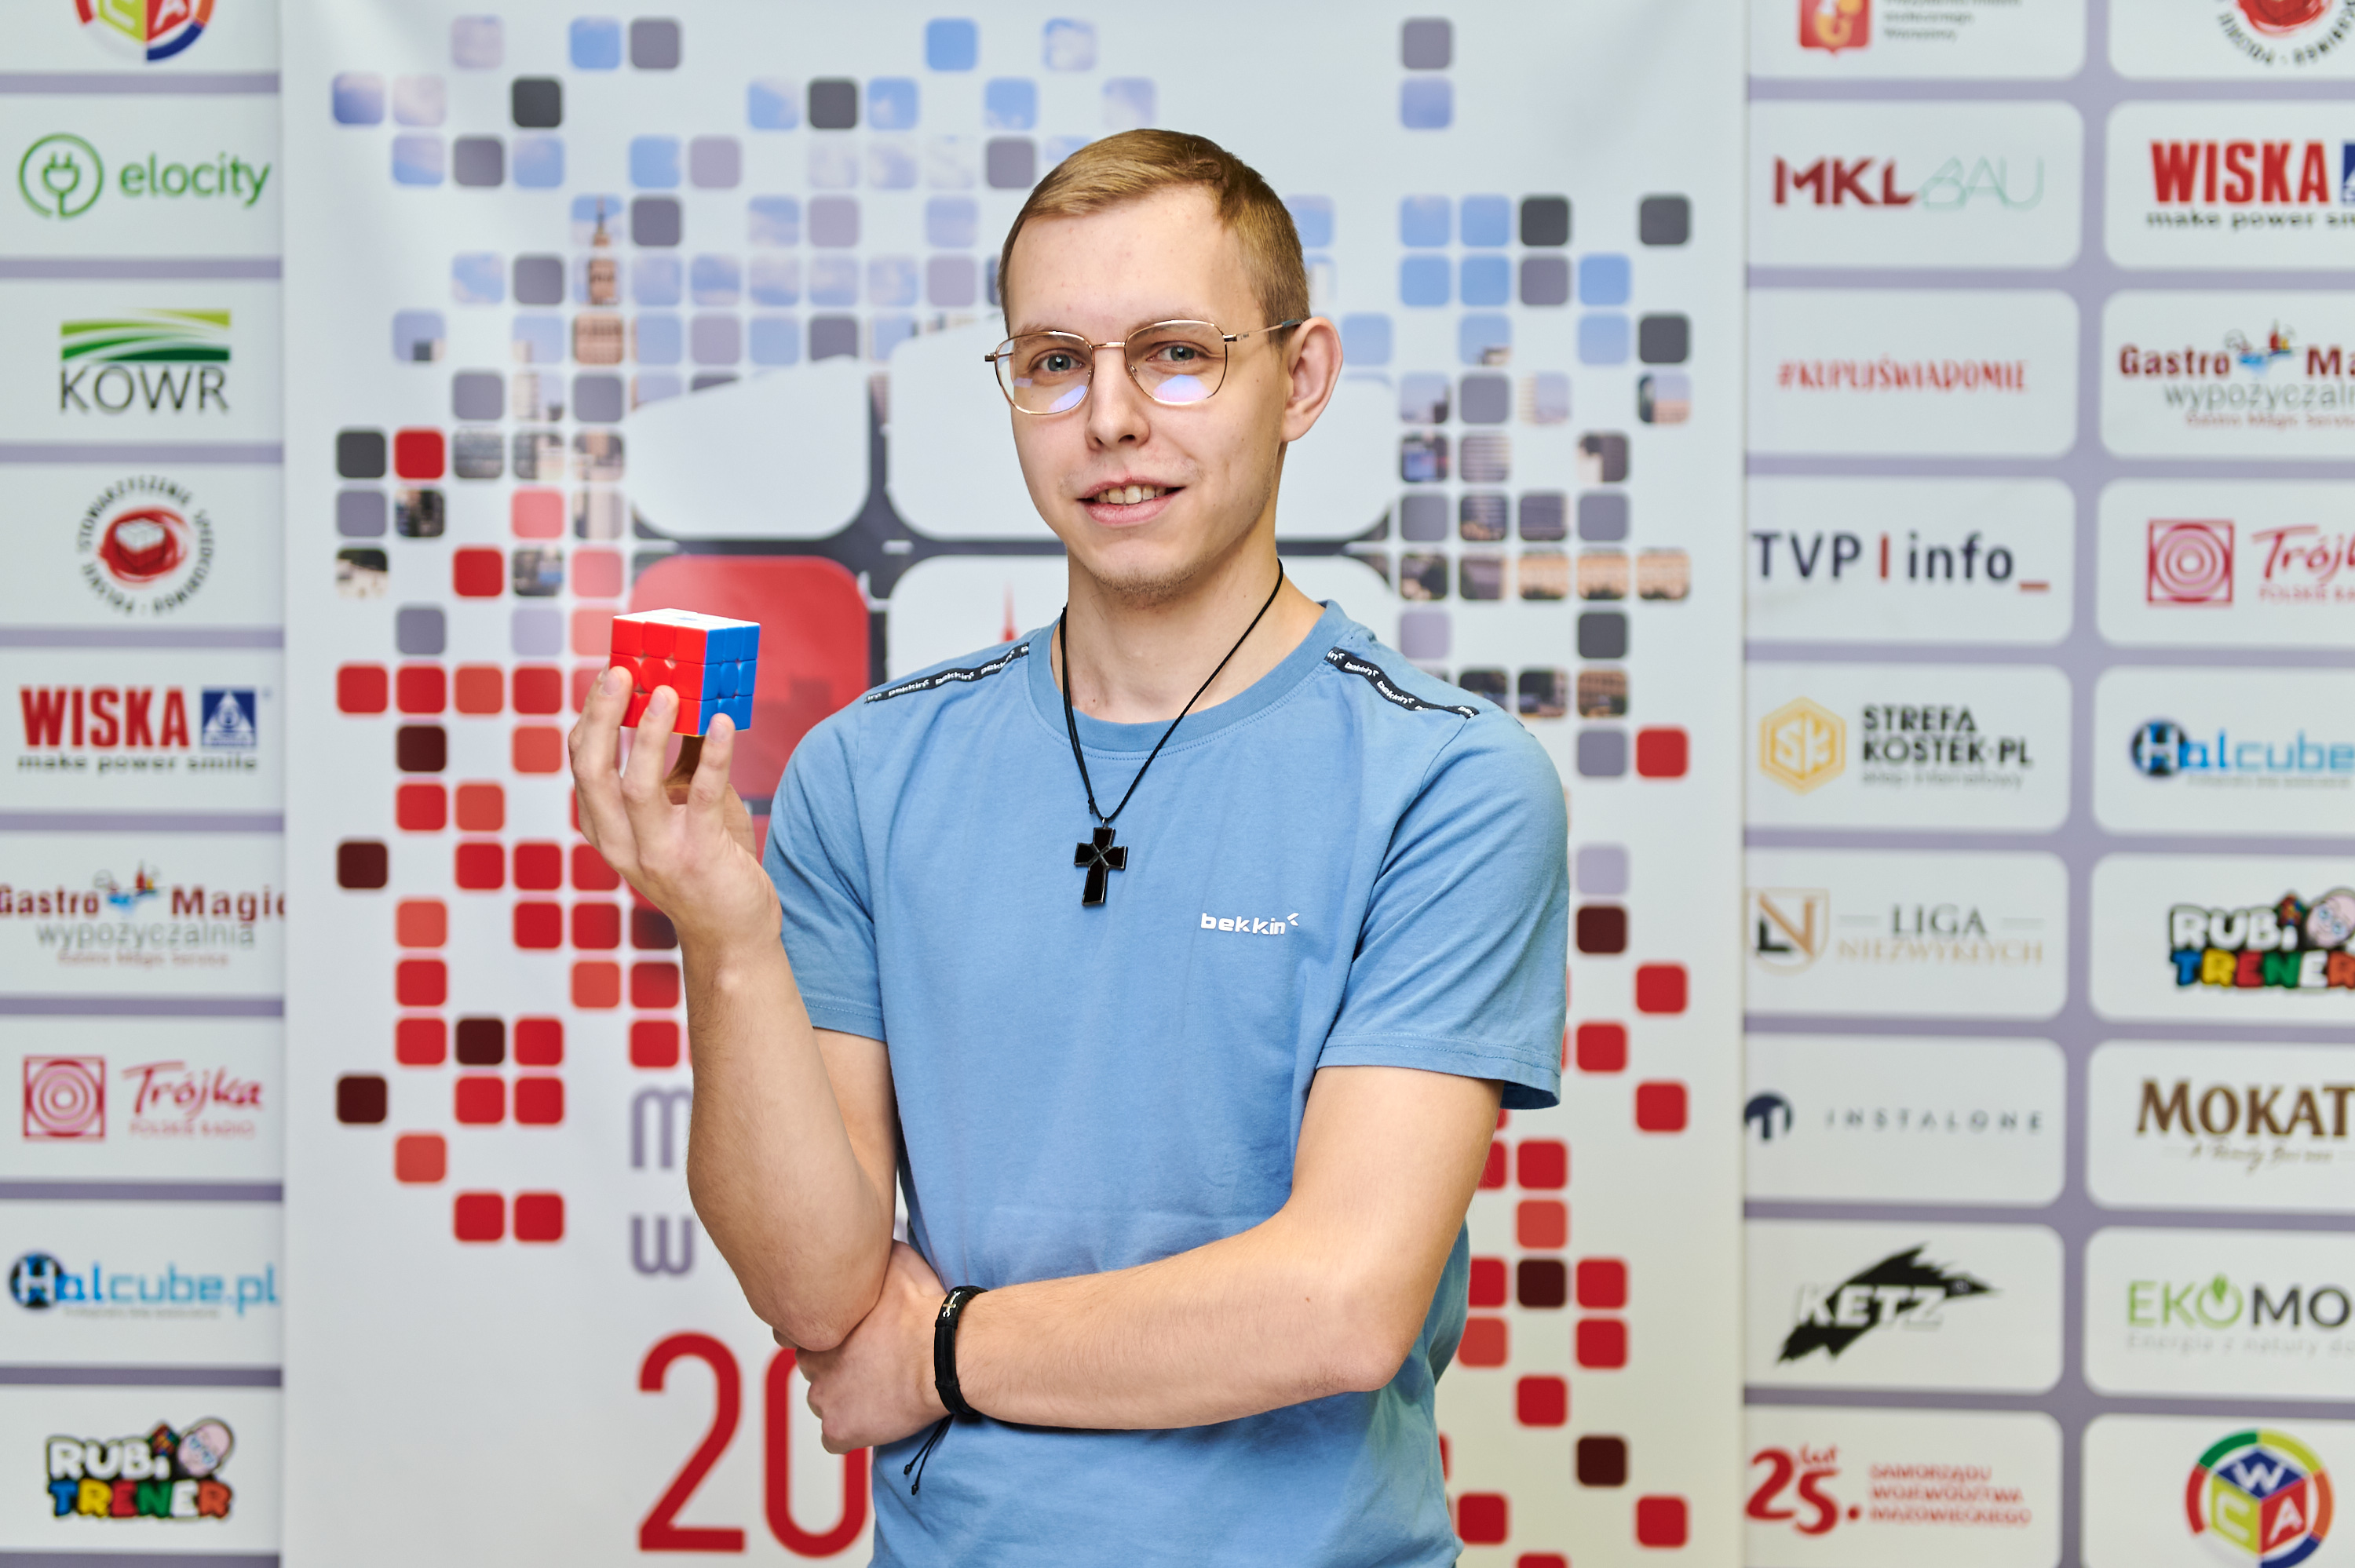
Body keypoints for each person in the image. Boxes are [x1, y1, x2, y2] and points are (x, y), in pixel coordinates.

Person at [570, 129, 1568, 1565]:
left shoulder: (1451, 781)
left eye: (1176, 354)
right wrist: (726, 943)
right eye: (1054, 361)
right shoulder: (866, 771)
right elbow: (817, 1289)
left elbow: (1341, 1301)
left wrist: (944, 1350)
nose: (1110, 418)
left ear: (1302, 379)